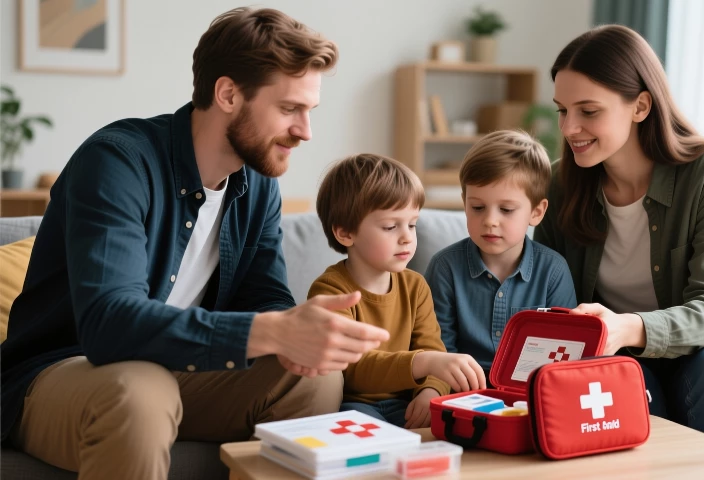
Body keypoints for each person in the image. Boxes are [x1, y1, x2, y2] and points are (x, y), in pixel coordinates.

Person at [0, 8, 390, 480]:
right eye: (289, 109)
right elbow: (108, 324)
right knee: (143, 390)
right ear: (228, 94)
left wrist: (297, 331)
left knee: (313, 378)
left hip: (178, 370)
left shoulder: (258, 183)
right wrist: (268, 332)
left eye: (310, 111)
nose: (306, 131)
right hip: (62, 373)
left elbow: (264, 296)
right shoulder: (118, 162)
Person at [533, 25, 704, 447]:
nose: (570, 127)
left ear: (640, 106)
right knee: (620, 383)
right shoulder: (560, 185)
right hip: (619, 355)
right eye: (562, 110)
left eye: (588, 111)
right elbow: (545, 291)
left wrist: (626, 327)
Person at [309, 154, 487, 428]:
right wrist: (424, 363)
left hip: (407, 402)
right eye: (391, 226)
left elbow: (432, 348)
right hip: (354, 404)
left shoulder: (415, 286)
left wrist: (431, 390)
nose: (407, 236)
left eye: (412, 224)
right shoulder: (331, 290)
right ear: (345, 233)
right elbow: (351, 369)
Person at [425, 130, 577, 380]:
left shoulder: (553, 271)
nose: (490, 221)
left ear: (537, 212)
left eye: (506, 209)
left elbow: (565, 352)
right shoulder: (445, 268)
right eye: (477, 207)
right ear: (465, 203)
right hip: (461, 390)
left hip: (530, 391)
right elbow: (438, 349)